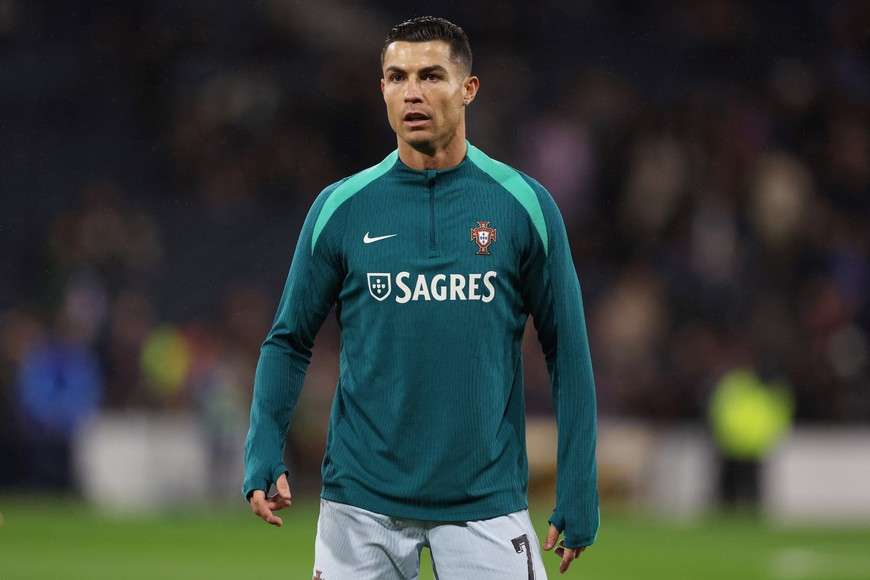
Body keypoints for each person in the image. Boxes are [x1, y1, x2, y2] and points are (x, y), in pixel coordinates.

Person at [243, 16, 599, 578]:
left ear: (468, 89)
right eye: (396, 76)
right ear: (381, 89)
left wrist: (578, 485)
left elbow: (569, 354)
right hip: (359, 508)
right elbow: (288, 341)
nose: (412, 91)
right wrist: (263, 449)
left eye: (432, 75)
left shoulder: (524, 207)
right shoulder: (340, 208)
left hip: (485, 503)